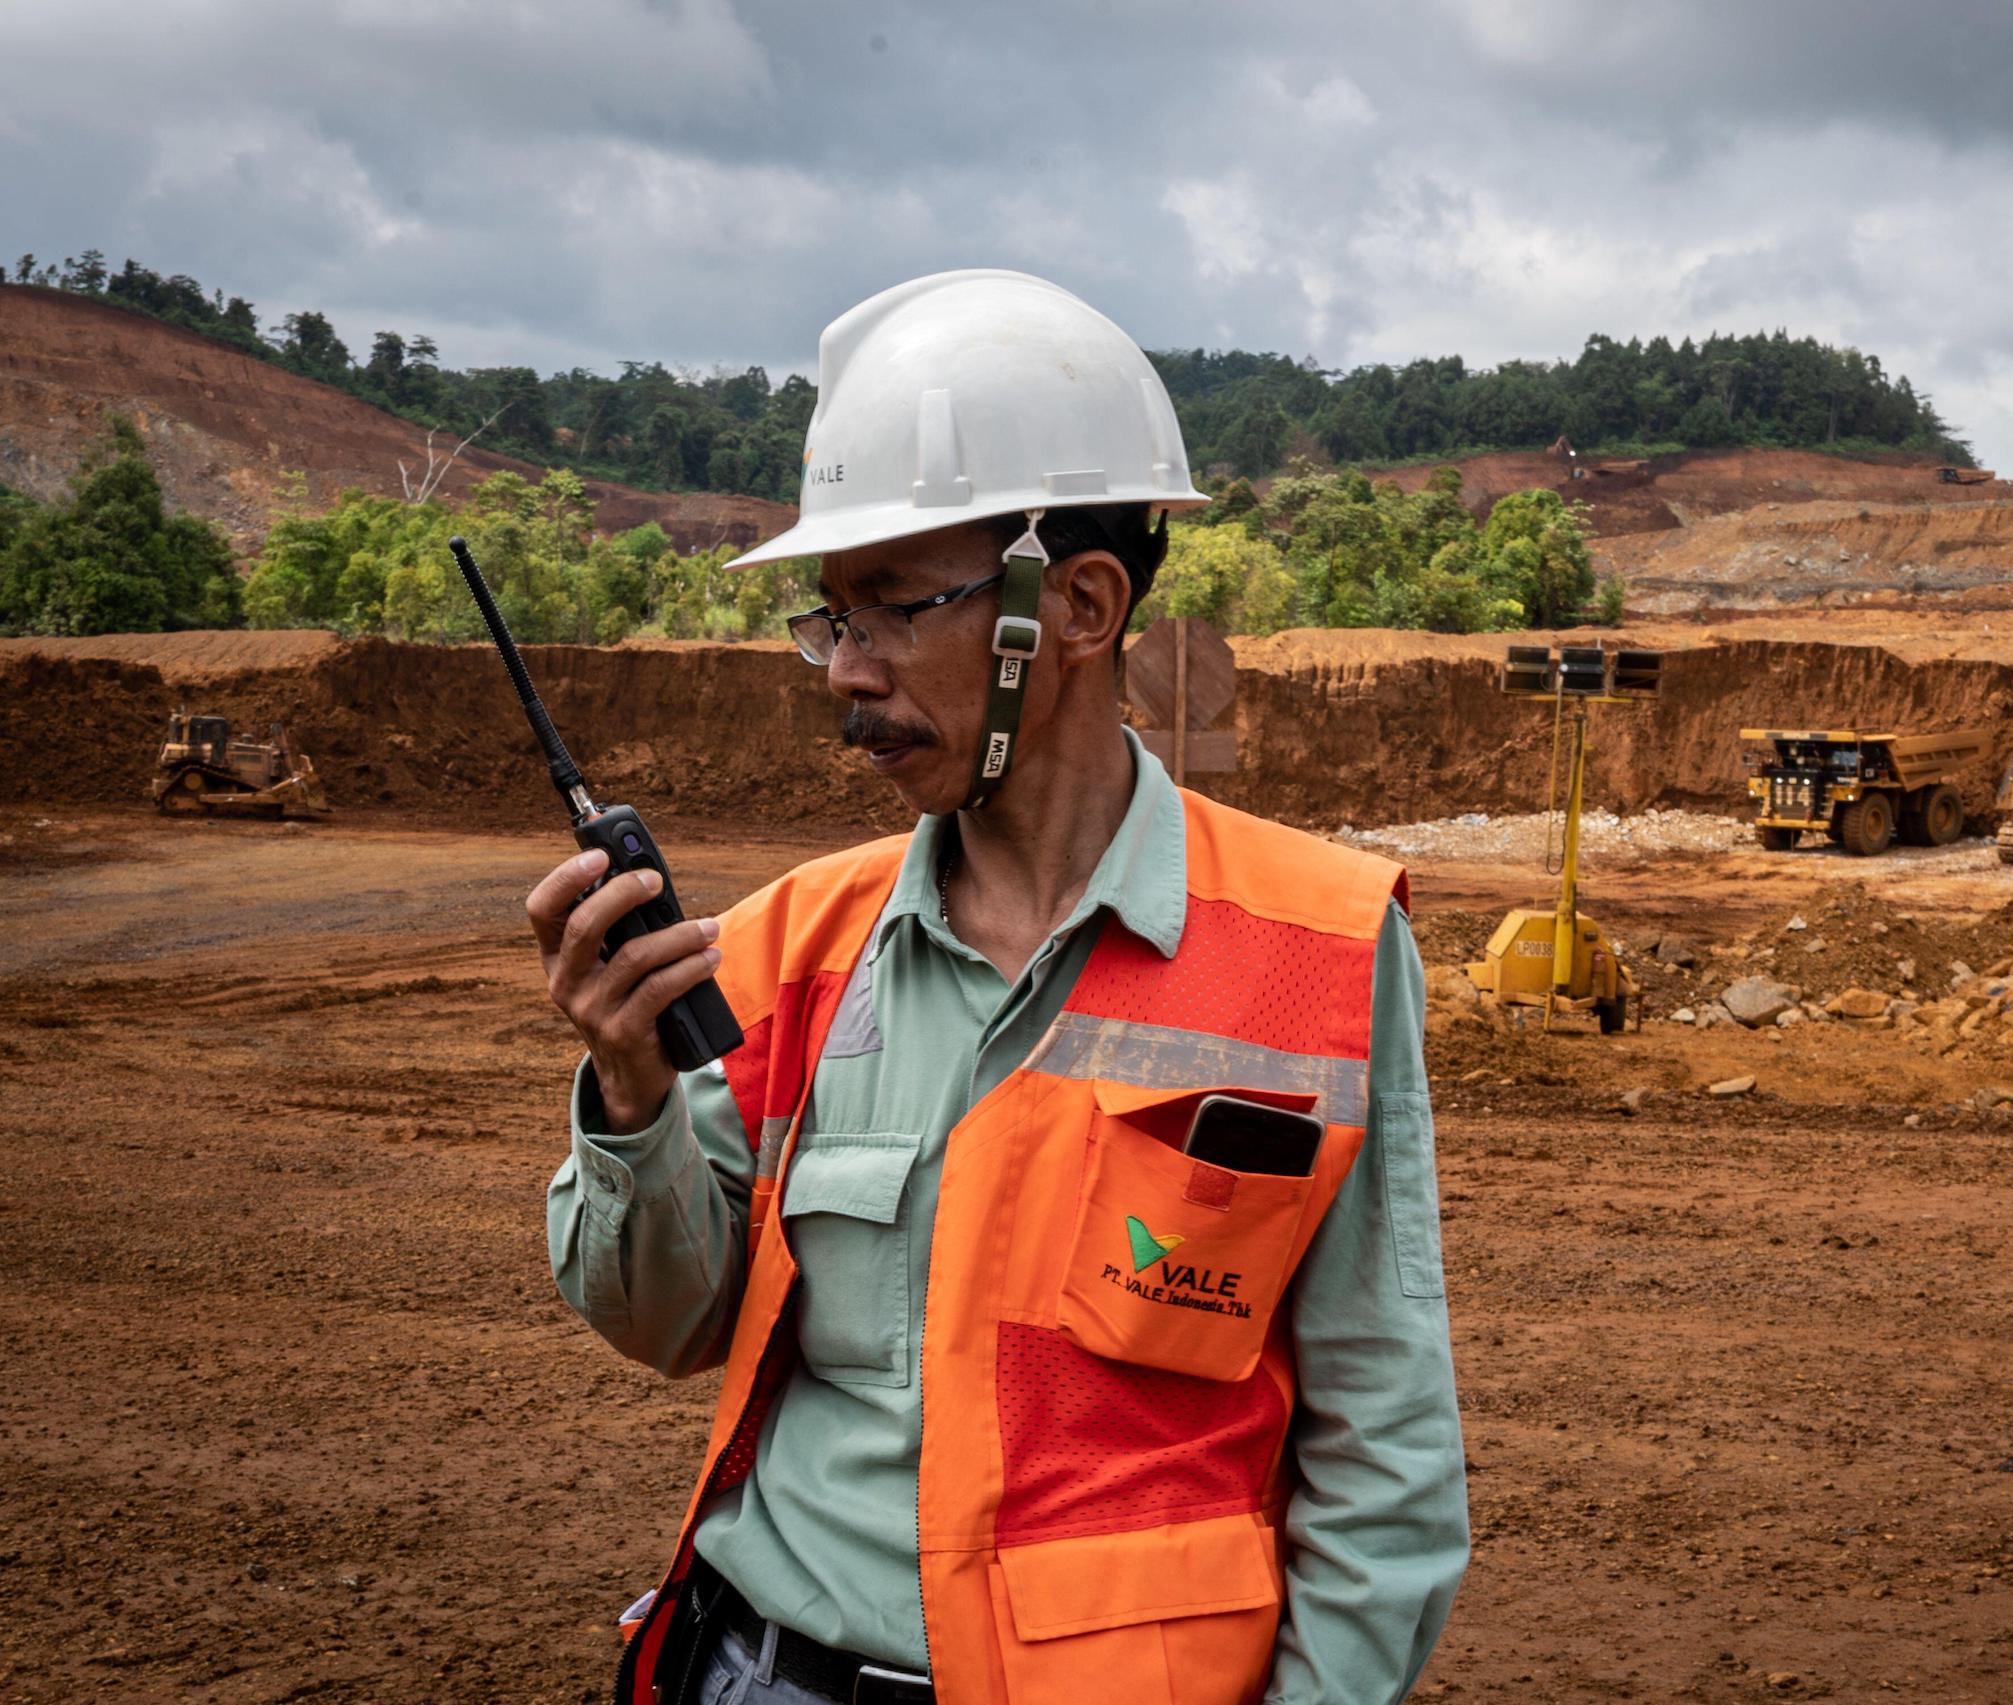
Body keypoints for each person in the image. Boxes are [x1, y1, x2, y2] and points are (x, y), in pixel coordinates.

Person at [532, 271, 1468, 1705]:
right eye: (829, 619)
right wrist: (631, 1095)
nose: (844, 670)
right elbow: (664, 1319)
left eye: (893, 609)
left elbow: (1386, 1457)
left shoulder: (1322, 948)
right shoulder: (794, 946)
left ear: (1078, 605)